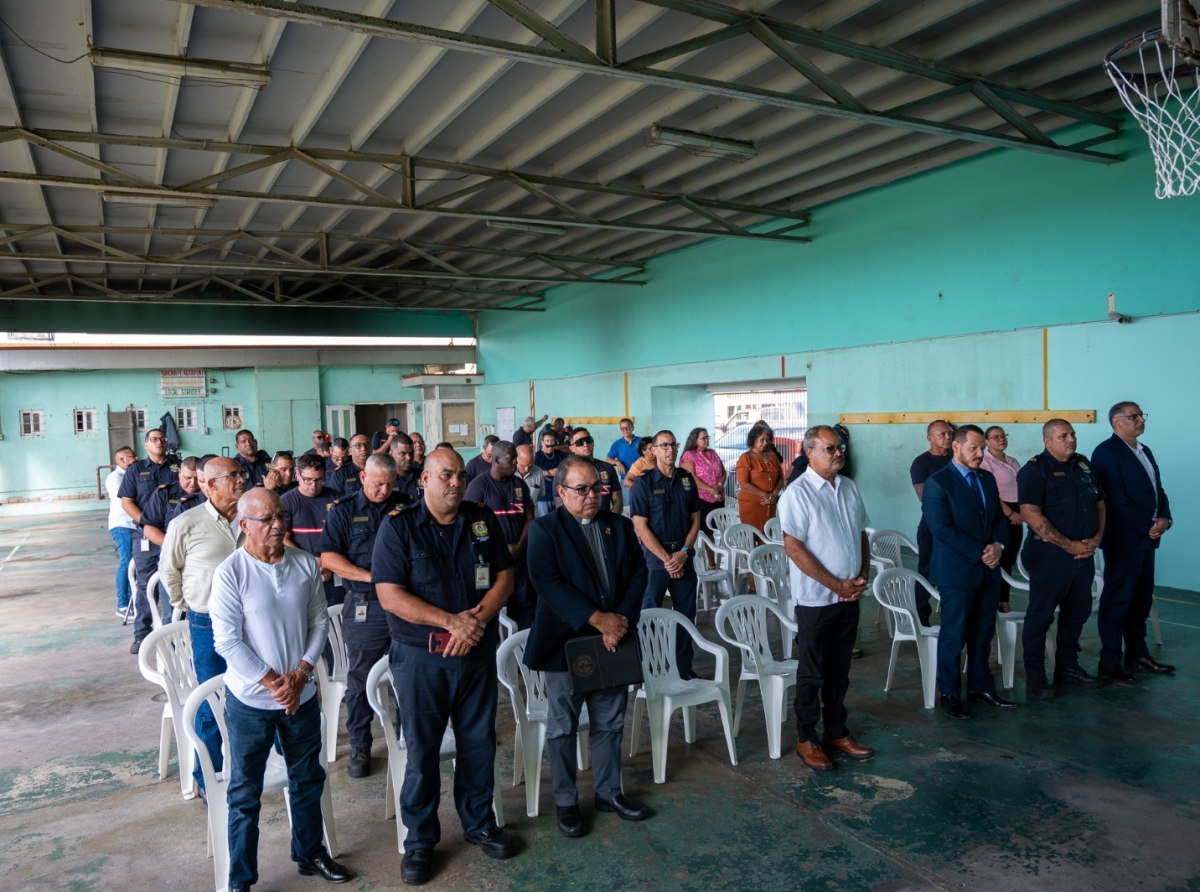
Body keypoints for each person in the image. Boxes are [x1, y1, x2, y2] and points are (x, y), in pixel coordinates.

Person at [371, 448, 518, 886]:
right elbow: (389, 595)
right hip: (422, 660)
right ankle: (419, 841)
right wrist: (451, 621)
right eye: (445, 475)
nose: (455, 483)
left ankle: (479, 824)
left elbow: (504, 578)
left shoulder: (481, 519)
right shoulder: (398, 528)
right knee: (422, 751)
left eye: (458, 475)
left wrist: (474, 622)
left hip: (474, 653)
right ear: (425, 480)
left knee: (479, 743)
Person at [210, 488, 353, 892]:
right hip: (251, 702)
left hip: (302, 696)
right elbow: (228, 642)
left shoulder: (304, 564)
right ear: (245, 526)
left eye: (280, 517)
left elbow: (319, 623)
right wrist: (276, 682)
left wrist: (302, 674)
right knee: (244, 792)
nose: (278, 525)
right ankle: (240, 878)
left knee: (308, 776)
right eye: (267, 519)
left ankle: (309, 853)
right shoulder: (231, 573)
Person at [524, 455, 649, 837]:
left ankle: (608, 792)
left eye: (597, 487)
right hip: (567, 644)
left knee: (610, 721)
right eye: (582, 489)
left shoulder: (619, 526)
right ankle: (565, 800)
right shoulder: (545, 530)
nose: (592, 495)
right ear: (561, 492)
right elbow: (549, 583)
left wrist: (619, 623)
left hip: (614, 641)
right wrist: (599, 619)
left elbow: (638, 573)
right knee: (562, 726)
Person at [777, 426, 874, 772]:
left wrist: (862, 574)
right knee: (813, 672)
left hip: (849, 596)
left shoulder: (848, 487)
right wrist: (835, 584)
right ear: (810, 452)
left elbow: (860, 532)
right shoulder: (797, 493)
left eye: (839, 447)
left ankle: (836, 731)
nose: (838, 453)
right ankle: (807, 737)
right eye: (830, 448)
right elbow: (793, 547)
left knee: (840, 671)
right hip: (817, 599)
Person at [318, 454, 412, 778]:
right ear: (362, 477)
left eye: (389, 484)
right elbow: (329, 557)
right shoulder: (343, 510)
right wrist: (369, 576)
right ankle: (360, 745)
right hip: (365, 605)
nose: (383, 490)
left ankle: (406, 738)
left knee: (407, 672)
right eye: (376, 483)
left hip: (404, 603)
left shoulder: (407, 506)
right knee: (359, 678)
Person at [160, 456, 247, 796]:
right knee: (210, 701)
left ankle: (247, 768)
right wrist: (189, 605)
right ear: (210, 485)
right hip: (207, 622)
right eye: (233, 476)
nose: (241, 480)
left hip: (249, 622)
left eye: (242, 474)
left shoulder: (250, 517)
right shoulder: (187, 523)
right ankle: (207, 778)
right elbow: (170, 571)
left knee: (250, 695)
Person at [922, 425, 1016, 719]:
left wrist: (999, 545)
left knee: (983, 632)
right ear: (957, 447)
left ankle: (980, 686)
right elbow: (942, 529)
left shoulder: (986, 478)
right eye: (974, 448)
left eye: (982, 449)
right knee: (955, 633)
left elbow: (1000, 518)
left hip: (988, 570)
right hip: (957, 571)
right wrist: (981, 552)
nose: (980, 454)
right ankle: (950, 693)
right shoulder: (938, 483)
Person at [1017, 419, 1105, 700]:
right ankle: (1036, 677)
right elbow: (1031, 514)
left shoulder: (1083, 465)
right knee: (1041, 617)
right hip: (1049, 556)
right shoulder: (1034, 470)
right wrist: (1069, 545)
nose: (1071, 439)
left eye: (1073, 434)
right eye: (1063, 435)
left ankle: (1067, 667)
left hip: (1085, 554)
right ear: (1047, 441)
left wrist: (1097, 538)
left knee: (1076, 613)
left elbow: (1100, 503)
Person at [1091, 401, 1175, 682]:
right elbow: (1114, 499)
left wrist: (1164, 517)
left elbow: (1156, 489)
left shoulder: (1143, 450)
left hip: (1146, 538)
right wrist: (1148, 525)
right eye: (1134, 416)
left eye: (1141, 415)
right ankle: (1110, 660)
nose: (1140, 420)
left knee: (1141, 598)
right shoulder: (1105, 452)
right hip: (1124, 539)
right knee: (1118, 599)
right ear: (1116, 422)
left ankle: (1137, 653)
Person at [630, 430, 701, 679]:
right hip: (655, 558)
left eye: (673, 445)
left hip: (683, 554)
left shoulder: (686, 479)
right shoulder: (644, 483)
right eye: (664, 445)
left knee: (686, 614)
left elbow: (695, 520)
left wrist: (683, 552)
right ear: (654, 450)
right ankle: (651, 668)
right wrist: (667, 559)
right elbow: (640, 526)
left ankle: (683, 668)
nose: (670, 450)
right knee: (648, 613)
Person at [118, 428, 179, 654]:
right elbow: (127, 503)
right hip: (146, 536)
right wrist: (147, 524)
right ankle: (142, 634)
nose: (159, 442)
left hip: (175, 535)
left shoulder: (177, 467)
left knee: (174, 583)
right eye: (154, 439)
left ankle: (174, 631)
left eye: (162, 439)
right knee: (145, 585)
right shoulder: (136, 470)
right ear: (146, 445)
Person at [465, 441, 535, 629]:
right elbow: (468, 527)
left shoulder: (519, 484)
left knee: (522, 605)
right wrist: (500, 551)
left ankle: (521, 649)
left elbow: (530, 518)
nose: (515, 462)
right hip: (491, 562)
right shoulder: (478, 487)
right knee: (488, 606)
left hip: (519, 558)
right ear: (496, 459)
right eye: (511, 458)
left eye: (516, 458)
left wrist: (520, 546)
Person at [141, 456, 207, 622]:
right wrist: (175, 547)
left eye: (196, 479)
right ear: (179, 473)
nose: (192, 484)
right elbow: (149, 527)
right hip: (173, 561)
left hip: (201, 565)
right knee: (173, 617)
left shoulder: (210, 497)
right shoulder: (164, 493)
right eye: (187, 478)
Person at [282, 453, 344, 608]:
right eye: (308, 479)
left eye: (319, 479)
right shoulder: (286, 501)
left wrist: (326, 563)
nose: (313, 485)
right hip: (301, 573)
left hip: (333, 571)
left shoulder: (338, 499)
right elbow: (283, 539)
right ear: (297, 474)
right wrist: (311, 563)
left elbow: (345, 537)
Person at [909, 420, 954, 624]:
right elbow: (923, 495)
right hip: (931, 526)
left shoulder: (956, 459)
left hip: (956, 526)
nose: (947, 437)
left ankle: (952, 616)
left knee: (952, 572)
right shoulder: (922, 462)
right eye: (942, 434)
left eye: (949, 434)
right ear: (930, 438)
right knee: (926, 572)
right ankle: (921, 619)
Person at [980, 426, 1024, 612]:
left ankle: (1002, 600)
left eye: (1003, 436)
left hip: (1018, 510)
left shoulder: (1011, 460)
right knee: (999, 558)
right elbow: (990, 493)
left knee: (1009, 559)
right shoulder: (985, 462)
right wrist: (1008, 513)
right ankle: (997, 601)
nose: (1001, 439)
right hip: (1002, 511)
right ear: (987, 442)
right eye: (995, 437)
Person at [736, 422, 784, 534]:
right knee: (751, 537)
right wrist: (765, 495)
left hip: (770, 503)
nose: (765, 443)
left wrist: (774, 494)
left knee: (767, 537)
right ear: (753, 440)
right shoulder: (746, 458)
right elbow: (744, 483)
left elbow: (781, 478)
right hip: (752, 505)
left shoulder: (773, 457)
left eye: (768, 440)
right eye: (761, 440)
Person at [106, 446, 137, 617]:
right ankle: (123, 604)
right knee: (127, 562)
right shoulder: (114, 478)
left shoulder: (132, 475)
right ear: (122, 460)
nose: (136, 458)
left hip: (134, 525)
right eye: (131, 457)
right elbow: (125, 500)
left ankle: (135, 600)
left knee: (137, 562)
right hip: (122, 525)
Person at [680, 427, 727, 533]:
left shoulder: (713, 453)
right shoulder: (689, 455)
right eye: (703, 438)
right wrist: (710, 489)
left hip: (718, 497)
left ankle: (721, 550)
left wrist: (719, 485)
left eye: (707, 437)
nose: (707, 440)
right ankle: (710, 550)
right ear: (695, 440)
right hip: (702, 499)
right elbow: (690, 478)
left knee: (721, 529)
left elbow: (723, 472)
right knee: (706, 531)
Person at [568, 428, 622, 514]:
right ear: (572, 448)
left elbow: (618, 501)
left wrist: (610, 522)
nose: (585, 444)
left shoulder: (608, 468)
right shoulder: (566, 472)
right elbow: (560, 504)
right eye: (579, 442)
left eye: (588, 440)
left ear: (593, 443)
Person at [606, 418, 640, 500]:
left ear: (632, 428)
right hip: (625, 480)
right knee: (627, 507)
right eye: (622, 428)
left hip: (642, 480)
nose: (625, 430)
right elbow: (608, 459)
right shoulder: (617, 444)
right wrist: (617, 462)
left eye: (627, 427)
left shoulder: (641, 441)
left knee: (643, 504)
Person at [534, 430, 562, 517]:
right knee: (545, 521)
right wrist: (549, 472)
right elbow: (533, 473)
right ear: (542, 442)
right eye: (547, 441)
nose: (550, 443)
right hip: (544, 497)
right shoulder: (537, 456)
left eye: (552, 441)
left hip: (559, 496)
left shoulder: (560, 455)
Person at [389, 432, 421, 502]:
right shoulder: (386, 480)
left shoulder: (422, 476)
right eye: (402, 453)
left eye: (411, 453)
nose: (408, 458)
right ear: (391, 454)